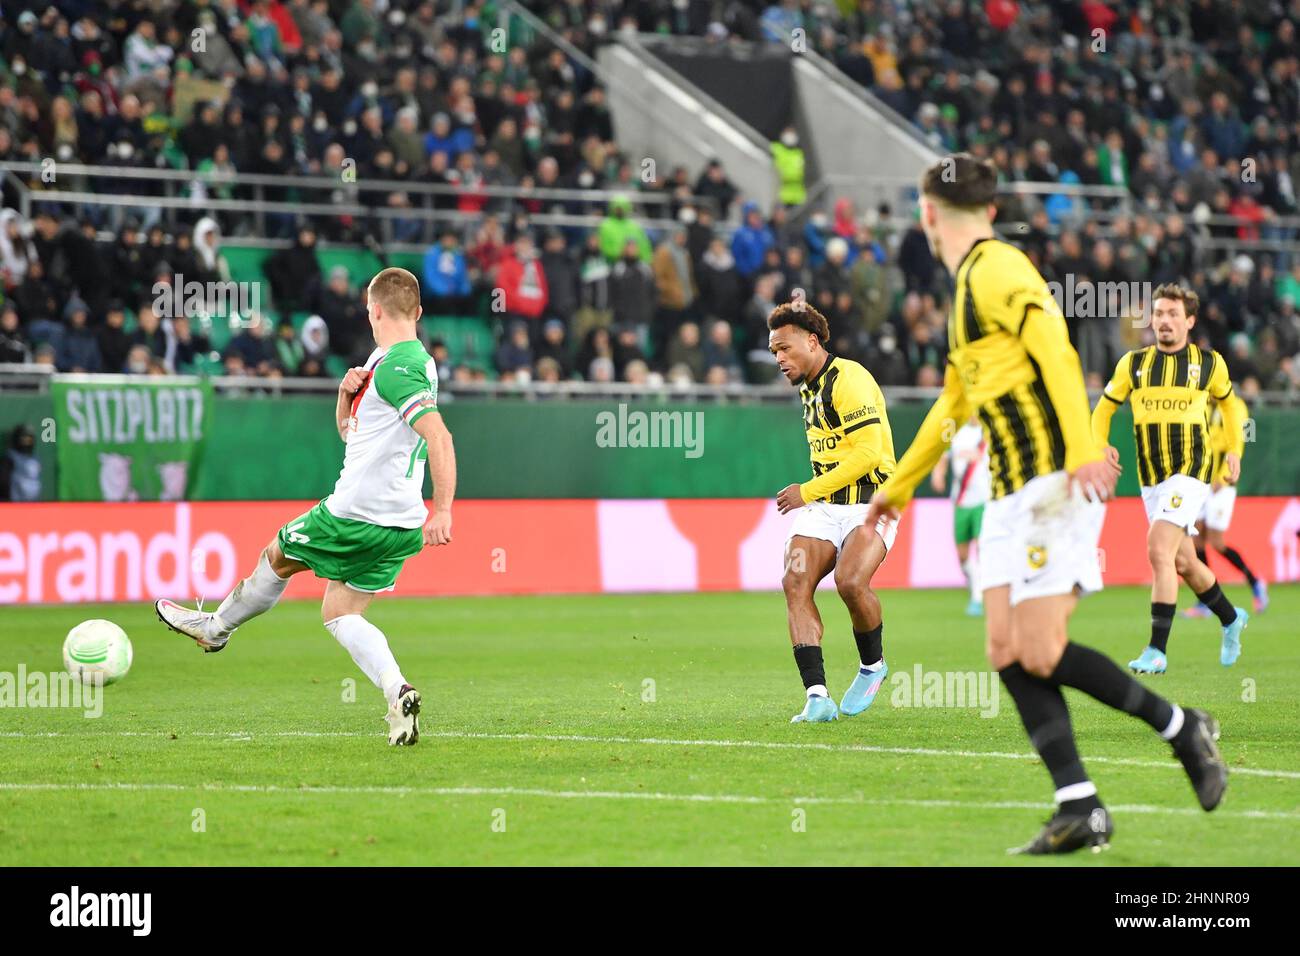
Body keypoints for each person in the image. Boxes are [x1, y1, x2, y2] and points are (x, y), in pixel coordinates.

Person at [865, 154, 1225, 854]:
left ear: (926, 213)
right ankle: (1079, 803)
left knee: (1039, 647)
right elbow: (953, 404)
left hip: (1050, 482)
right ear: (990, 208)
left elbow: (1057, 352)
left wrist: (1083, 450)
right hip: (1007, 491)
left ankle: (1184, 729)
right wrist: (899, 486)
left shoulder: (996, 270)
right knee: (1006, 649)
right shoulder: (969, 286)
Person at [156, 268, 457, 747]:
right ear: (418, 313)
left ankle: (215, 628)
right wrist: (345, 395)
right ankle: (398, 691)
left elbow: (439, 436)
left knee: (277, 555)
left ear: (373, 310)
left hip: (354, 514)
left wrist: (444, 510)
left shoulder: (398, 369)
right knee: (341, 612)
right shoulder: (403, 361)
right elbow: (351, 433)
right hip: (401, 526)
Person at [1091, 285, 1251, 673]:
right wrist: (1100, 444)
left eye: (1173, 314)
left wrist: (1234, 449)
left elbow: (1232, 407)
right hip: (1151, 478)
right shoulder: (1133, 364)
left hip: (1191, 472)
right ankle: (1231, 617)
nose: (1164, 320)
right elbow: (1103, 410)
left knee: (1158, 550)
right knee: (1183, 562)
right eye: (1159, 313)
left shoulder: (1209, 364)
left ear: (1189, 321)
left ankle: (1156, 649)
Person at [769, 299, 899, 723]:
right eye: (774, 352)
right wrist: (815, 496)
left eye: (785, 349)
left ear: (812, 340)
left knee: (849, 581)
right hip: (826, 509)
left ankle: (873, 665)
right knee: (795, 580)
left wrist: (807, 490)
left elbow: (868, 454)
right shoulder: (808, 386)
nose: (780, 359)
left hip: (872, 504)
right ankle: (817, 696)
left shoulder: (851, 378)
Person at [1186, 389, 1268, 618]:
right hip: (1201, 482)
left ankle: (1255, 581)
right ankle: (1206, 601)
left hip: (1222, 484)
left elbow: (1237, 441)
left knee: (1216, 542)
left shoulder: (1235, 405)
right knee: (1197, 541)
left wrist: (1223, 475)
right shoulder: (1203, 404)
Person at [929, 415, 989, 615]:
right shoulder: (955, 431)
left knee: (983, 548)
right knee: (962, 555)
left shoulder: (990, 429)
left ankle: (978, 596)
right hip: (961, 501)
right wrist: (938, 474)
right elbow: (944, 457)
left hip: (985, 500)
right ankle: (975, 587)